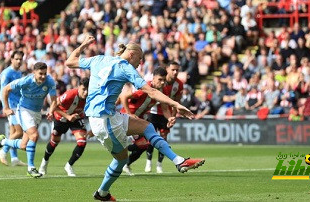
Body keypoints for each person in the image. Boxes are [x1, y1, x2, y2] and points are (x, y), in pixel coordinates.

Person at [65, 36, 205, 201]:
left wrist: (83, 45)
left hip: (106, 117)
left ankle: (178, 160)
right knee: (122, 158)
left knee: (146, 128)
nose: (140, 63)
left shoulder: (99, 59)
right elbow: (151, 91)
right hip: (105, 121)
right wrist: (176, 104)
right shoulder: (126, 68)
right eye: (140, 59)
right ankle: (103, 192)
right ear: (131, 54)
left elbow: (69, 62)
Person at [0, 62, 57, 178]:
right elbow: (6, 90)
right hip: (23, 110)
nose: (43, 76)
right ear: (34, 73)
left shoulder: (50, 81)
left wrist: (51, 111)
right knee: (34, 135)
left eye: (45, 74)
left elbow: (54, 100)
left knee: (24, 145)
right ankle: (31, 168)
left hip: (37, 113)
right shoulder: (26, 81)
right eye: (40, 74)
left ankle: (3, 141)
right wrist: (6, 108)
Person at [119, 67, 176, 176]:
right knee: (143, 143)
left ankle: (126, 163)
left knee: (144, 145)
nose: (162, 82)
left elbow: (164, 109)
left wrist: (169, 118)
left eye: (164, 80)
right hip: (126, 118)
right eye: (160, 79)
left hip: (137, 120)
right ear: (153, 78)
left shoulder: (160, 91)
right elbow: (124, 96)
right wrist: (129, 113)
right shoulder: (144, 88)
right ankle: (122, 149)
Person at [39, 78, 89, 177]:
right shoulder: (70, 94)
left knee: (82, 142)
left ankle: (69, 165)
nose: (86, 92)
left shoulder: (91, 96)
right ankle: (44, 163)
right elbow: (55, 105)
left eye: (88, 90)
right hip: (61, 117)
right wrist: (64, 115)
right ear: (79, 87)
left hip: (76, 118)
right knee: (54, 142)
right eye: (83, 89)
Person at [145, 61, 184, 173]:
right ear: (167, 70)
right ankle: (148, 162)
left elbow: (177, 101)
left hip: (166, 113)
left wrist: (173, 116)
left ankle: (159, 164)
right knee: (151, 138)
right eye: (173, 69)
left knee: (163, 138)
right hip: (153, 112)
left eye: (177, 70)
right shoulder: (158, 82)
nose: (175, 72)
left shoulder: (179, 85)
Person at [0, 50, 27, 166]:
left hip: (17, 105)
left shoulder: (18, 72)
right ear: (11, 59)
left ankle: (14, 158)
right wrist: (6, 108)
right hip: (11, 106)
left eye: (20, 59)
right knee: (19, 132)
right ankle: (2, 151)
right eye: (17, 59)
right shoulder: (6, 73)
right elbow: (3, 91)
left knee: (13, 132)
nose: (19, 61)